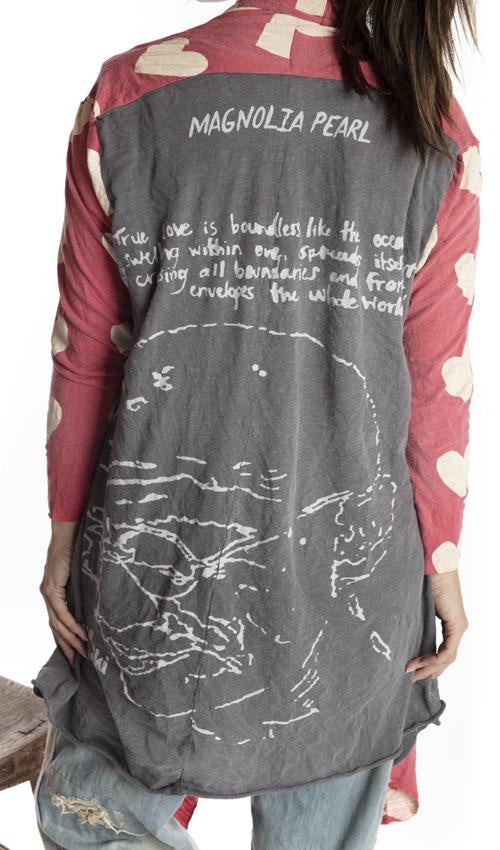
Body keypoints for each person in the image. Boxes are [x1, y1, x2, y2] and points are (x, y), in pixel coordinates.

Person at [32, 1, 481, 848]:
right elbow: (434, 387)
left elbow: (86, 352)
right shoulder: (434, 126)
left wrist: (61, 536)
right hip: (352, 594)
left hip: (150, 566)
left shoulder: (130, 96)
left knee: (102, 821)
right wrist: (444, 571)